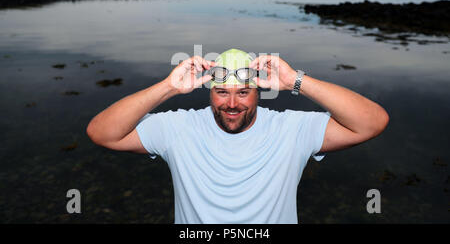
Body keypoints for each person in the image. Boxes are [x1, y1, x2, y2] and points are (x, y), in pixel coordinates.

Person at [86, 48, 389, 223]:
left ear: (259, 92)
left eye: (243, 92)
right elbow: (102, 133)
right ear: (210, 92)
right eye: (222, 92)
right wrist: (168, 87)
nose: (232, 104)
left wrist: (296, 80)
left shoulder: (291, 129)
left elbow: (371, 123)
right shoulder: (178, 129)